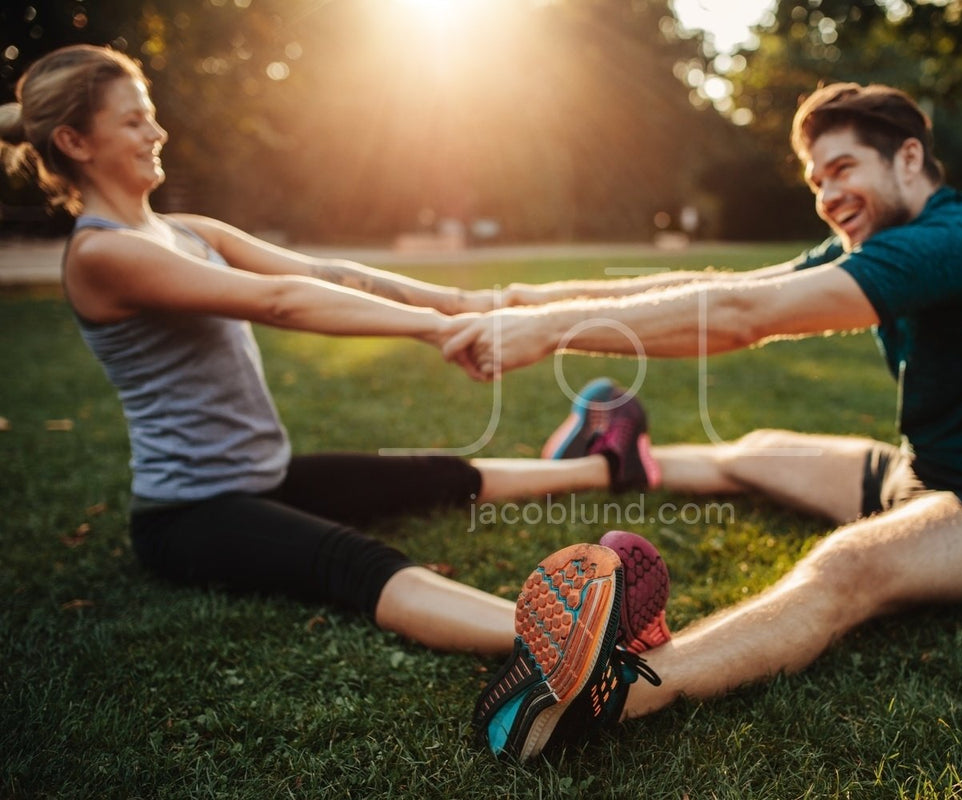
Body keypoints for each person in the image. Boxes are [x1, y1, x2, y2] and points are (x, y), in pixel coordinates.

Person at [451, 83, 962, 757]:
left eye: (844, 169)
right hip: (925, 471)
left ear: (909, 158)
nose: (827, 195)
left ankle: (602, 699)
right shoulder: (884, 240)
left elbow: (743, 317)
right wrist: (516, 301)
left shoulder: (957, 240)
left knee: (847, 566)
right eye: (817, 180)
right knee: (753, 451)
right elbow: (714, 290)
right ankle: (613, 456)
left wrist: (550, 331)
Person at [0, 44, 674, 667]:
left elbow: (322, 273)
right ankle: (570, 641)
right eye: (135, 122)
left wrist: (459, 303)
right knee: (354, 562)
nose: (157, 133)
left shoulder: (186, 232)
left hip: (264, 476)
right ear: (73, 141)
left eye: (151, 117)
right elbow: (282, 302)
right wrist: (432, 331)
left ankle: (605, 464)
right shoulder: (103, 254)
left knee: (431, 476)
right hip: (190, 515)